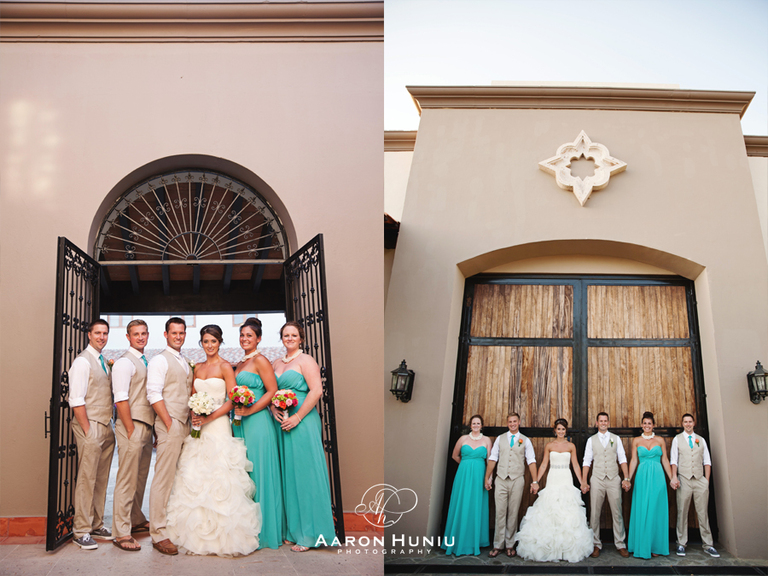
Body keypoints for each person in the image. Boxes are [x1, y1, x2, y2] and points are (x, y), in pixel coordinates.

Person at [165, 324, 261, 556]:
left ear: (220, 343)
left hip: (217, 425)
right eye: (205, 341)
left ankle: (225, 533)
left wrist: (210, 417)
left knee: (220, 474)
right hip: (198, 427)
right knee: (195, 473)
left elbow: (232, 399)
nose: (209, 345)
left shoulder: (226, 367)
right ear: (201, 343)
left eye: (213, 341)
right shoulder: (196, 368)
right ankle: (195, 529)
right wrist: (195, 413)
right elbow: (192, 397)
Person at [272, 321, 336, 552]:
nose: (289, 338)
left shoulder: (306, 360)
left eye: (293, 335)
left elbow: (316, 390)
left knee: (306, 475)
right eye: (285, 335)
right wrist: (274, 409)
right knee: (289, 476)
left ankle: (311, 535)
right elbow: (272, 392)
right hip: (283, 423)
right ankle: (293, 530)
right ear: (282, 338)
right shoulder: (277, 363)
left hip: (302, 421)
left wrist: (297, 417)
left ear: (301, 338)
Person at [232, 317, 284, 550]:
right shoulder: (241, 363)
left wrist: (250, 409)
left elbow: (272, 390)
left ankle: (267, 531)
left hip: (258, 423)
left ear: (259, 338)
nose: (245, 339)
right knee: (245, 476)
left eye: (249, 336)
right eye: (242, 335)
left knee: (260, 474)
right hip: (240, 423)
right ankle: (248, 527)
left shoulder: (261, 360)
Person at [514, 418, 593, 562]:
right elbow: (544, 464)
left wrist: (583, 481)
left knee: (566, 510)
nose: (561, 432)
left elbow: (575, 465)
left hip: (566, 477)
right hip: (553, 477)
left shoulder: (571, 446)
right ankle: (549, 547)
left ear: (565, 431)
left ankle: (565, 548)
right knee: (550, 509)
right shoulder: (549, 445)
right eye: (559, 429)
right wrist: (536, 481)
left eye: (563, 429)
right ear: (555, 430)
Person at [147, 317, 194, 556]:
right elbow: (153, 393)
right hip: (171, 424)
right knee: (163, 479)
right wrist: (168, 423)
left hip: (185, 424)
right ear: (165, 334)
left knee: (180, 477)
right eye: (174, 333)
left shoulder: (185, 361)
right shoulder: (159, 360)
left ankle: (173, 524)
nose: (178, 336)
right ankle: (158, 533)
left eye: (182, 332)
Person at [68, 319, 116, 550]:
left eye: (105, 333)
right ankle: (81, 530)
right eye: (98, 333)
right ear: (89, 335)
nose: (102, 337)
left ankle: (96, 523)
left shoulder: (104, 362)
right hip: (92, 426)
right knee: (87, 478)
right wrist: (88, 430)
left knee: (101, 478)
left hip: (106, 425)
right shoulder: (82, 362)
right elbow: (76, 400)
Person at [110, 319, 153, 552]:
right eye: (135, 334)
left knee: (139, 477)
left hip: (145, 425)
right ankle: (121, 532)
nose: (140, 337)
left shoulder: (143, 361)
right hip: (132, 425)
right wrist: (129, 429)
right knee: (127, 479)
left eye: (143, 333)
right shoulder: (124, 363)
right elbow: (120, 398)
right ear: (128, 337)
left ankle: (136, 520)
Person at [484, 413, 538, 558]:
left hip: (517, 479)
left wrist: (535, 481)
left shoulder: (524, 440)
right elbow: (493, 458)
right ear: (507, 423)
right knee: (500, 512)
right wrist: (487, 476)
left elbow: (531, 460)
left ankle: (509, 544)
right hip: (501, 479)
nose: (512, 424)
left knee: (513, 512)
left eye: (515, 421)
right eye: (510, 422)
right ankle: (497, 545)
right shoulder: (500, 439)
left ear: (519, 422)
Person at [627, 411, 676, 559]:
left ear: (653, 425)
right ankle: (641, 545)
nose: (647, 426)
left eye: (649, 423)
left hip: (657, 477)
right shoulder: (636, 441)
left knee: (656, 509)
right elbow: (634, 460)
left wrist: (672, 478)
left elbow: (665, 460)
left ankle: (656, 545)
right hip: (642, 476)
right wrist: (628, 478)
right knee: (642, 509)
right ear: (642, 425)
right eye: (645, 423)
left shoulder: (660, 440)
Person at [441, 414, 492, 556]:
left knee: (476, 505)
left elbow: (490, 461)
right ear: (470, 425)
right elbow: (454, 455)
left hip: (479, 476)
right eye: (473, 423)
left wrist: (489, 478)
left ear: (482, 425)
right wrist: (466, 465)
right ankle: (456, 540)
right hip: (463, 476)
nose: (476, 425)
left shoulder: (487, 440)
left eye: (478, 423)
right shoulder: (463, 439)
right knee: (461, 504)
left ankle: (475, 541)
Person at [582, 411, 630, 558]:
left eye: (605, 421)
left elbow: (622, 458)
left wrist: (626, 477)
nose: (603, 423)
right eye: (600, 421)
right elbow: (587, 460)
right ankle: (595, 544)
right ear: (597, 423)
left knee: (617, 512)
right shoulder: (591, 440)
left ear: (608, 423)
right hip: (596, 479)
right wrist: (584, 480)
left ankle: (620, 543)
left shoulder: (616, 439)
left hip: (613, 478)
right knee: (595, 513)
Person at [670, 413, 719, 558]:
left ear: (694, 423)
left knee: (703, 513)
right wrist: (674, 477)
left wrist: (706, 481)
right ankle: (681, 544)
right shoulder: (677, 440)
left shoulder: (701, 440)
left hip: (699, 480)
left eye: (690, 422)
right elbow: (674, 460)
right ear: (682, 423)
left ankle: (708, 545)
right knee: (682, 511)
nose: (688, 424)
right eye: (685, 422)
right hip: (684, 479)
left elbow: (707, 461)